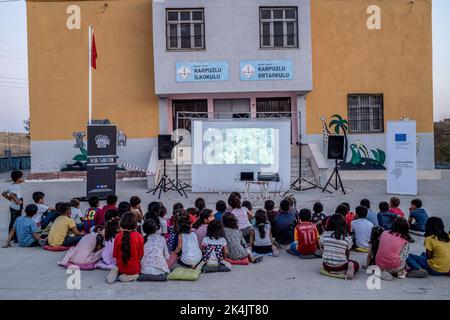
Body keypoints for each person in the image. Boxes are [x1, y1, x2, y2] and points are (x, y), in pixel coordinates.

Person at [107, 212, 144, 283]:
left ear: (121, 223)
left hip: (121, 268)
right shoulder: (139, 236)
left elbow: (115, 255)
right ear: (135, 224)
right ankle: (130, 276)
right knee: (136, 273)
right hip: (135, 269)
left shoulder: (118, 236)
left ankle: (116, 272)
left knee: (117, 267)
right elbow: (141, 255)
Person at [320, 214, 358, 279]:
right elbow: (347, 254)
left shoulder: (324, 234)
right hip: (340, 267)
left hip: (326, 266)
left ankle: (331, 272)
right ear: (344, 225)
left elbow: (323, 248)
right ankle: (343, 272)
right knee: (354, 264)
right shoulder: (347, 238)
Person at [2, 170, 24, 243]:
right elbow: (12, 194)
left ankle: (11, 237)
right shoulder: (17, 187)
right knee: (17, 222)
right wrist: (18, 202)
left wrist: (10, 200)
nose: (22, 179)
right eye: (21, 177)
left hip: (12, 207)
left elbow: (3, 193)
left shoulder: (11, 185)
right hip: (17, 207)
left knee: (12, 222)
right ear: (18, 178)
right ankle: (15, 238)